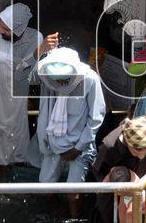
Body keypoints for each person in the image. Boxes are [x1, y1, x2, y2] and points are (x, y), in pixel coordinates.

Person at [0, 3, 55, 182]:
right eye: (0, 24)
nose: (0, 30)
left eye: (6, 28)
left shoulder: (35, 38)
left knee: (12, 143)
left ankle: (6, 186)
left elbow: (25, 65)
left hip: (16, 103)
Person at [33, 48, 107, 210]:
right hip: (52, 141)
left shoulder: (90, 80)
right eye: (57, 80)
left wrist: (78, 148)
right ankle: (56, 213)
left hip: (79, 144)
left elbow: (96, 117)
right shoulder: (48, 80)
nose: (60, 84)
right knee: (45, 187)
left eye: (64, 80)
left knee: (73, 194)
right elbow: (44, 110)